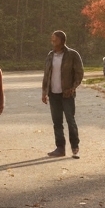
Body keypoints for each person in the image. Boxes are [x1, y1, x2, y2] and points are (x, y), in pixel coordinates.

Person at [41, 30, 83, 158]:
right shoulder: (50, 55)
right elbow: (46, 75)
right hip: (53, 94)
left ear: (62, 41)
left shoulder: (72, 55)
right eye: (52, 39)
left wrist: (73, 87)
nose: (52, 41)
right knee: (57, 122)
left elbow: (79, 74)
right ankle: (60, 148)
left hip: (67, 94)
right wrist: (44, 92)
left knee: (70, 120)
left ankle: (75, 147)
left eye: (55, 39)